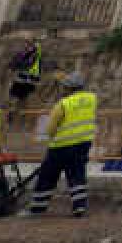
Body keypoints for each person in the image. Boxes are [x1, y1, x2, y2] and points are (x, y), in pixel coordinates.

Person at [25, 72, 95, 218]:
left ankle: (37, 208)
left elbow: (51, 128)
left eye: (65, 87)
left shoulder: (63, 104)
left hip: (61, 146)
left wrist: (51, 137)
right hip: (83, 144)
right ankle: (79, 207)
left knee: (47, 176)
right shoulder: (91, 99)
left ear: (69, 88)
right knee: (77, 175)